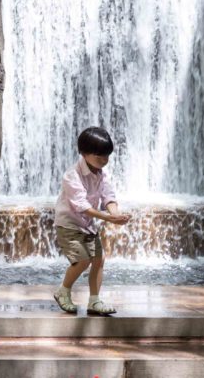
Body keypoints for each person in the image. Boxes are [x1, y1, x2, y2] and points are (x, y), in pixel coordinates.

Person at [52, 126, 130, 316]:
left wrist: (116, 213)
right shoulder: (72, 175)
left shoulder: (102, 173)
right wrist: (109, 218)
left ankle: (94, 301)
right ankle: (63, 291)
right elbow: (82, 206)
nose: (104, 161)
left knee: (98, 260)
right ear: (84, 153)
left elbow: (108, 197)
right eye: (99, 157)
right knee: (83, 260)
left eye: (107, 156)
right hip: (69, 224)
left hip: (87, 225)